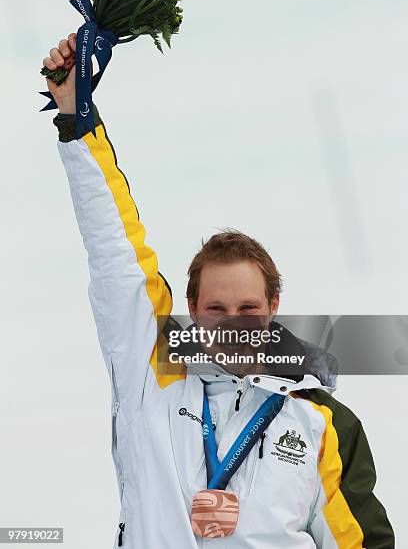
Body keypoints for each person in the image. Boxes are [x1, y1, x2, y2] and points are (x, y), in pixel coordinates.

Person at [43, 33, 395, 548]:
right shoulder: (153, 377)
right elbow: (115, 253)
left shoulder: (322, 424)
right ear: (191, 310)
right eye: (217, 309)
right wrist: (78, 120)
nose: (234, 325)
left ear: (274, 307)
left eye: (248, 308)